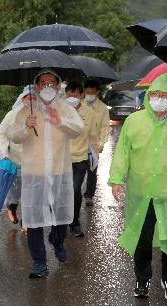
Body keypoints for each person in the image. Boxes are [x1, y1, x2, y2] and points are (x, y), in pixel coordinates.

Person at [108, 74, 167, 302]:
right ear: (148, 96)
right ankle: (142, 278)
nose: (160, 99)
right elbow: (123, 152)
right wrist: (117, 178)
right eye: (155, 95)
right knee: (142, 237)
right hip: (141, 193)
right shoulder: (134, 121)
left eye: (165, 96)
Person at [8, 70, 84, 278]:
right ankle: (39, 262)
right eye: (43, 83)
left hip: (59, 172)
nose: (48, 87)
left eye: (52, 83)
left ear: (59, 86)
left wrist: (60, 121)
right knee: (33, 219)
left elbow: (78, 130)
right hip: (35, 174)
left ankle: (57, 242)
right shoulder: (27, 110)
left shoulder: (66, 108)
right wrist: (25, 126)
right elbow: (13, 136)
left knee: (60, 218)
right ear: (37, 86)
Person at [0, 87, 35, 225]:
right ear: (22, 99)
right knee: (15, 191)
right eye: (29, 98)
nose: (31, 101)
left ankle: (27, 222)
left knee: (30, 194)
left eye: (34, 98)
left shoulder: (41, 116)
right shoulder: (11, 115)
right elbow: (2, 135)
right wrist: (4, 155)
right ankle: (11, 206)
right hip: (15, 160)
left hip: (34, 163)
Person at [65, 82, 98, 237]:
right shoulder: (60, 111)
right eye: (68, 95)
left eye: (75, 95)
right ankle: (61, 220)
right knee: (63, 191)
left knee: (75, 188)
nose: (71, 98)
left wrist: (96, 152)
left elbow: (92, 135)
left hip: (80, 158)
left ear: (81, 95)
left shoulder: (89, 113)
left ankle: (74, 222)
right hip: (62, 158)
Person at [82, 79, 110, 205]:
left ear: (97, 92)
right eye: (87, 92)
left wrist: (101, 143)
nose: (89, 95)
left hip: (94, 145)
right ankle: (74, 192)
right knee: (77, 171)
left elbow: (105, 127)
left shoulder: (103, 108)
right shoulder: (79, 104)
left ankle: (89, 195)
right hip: (78, 144)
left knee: (92, 171)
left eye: (92, 93)